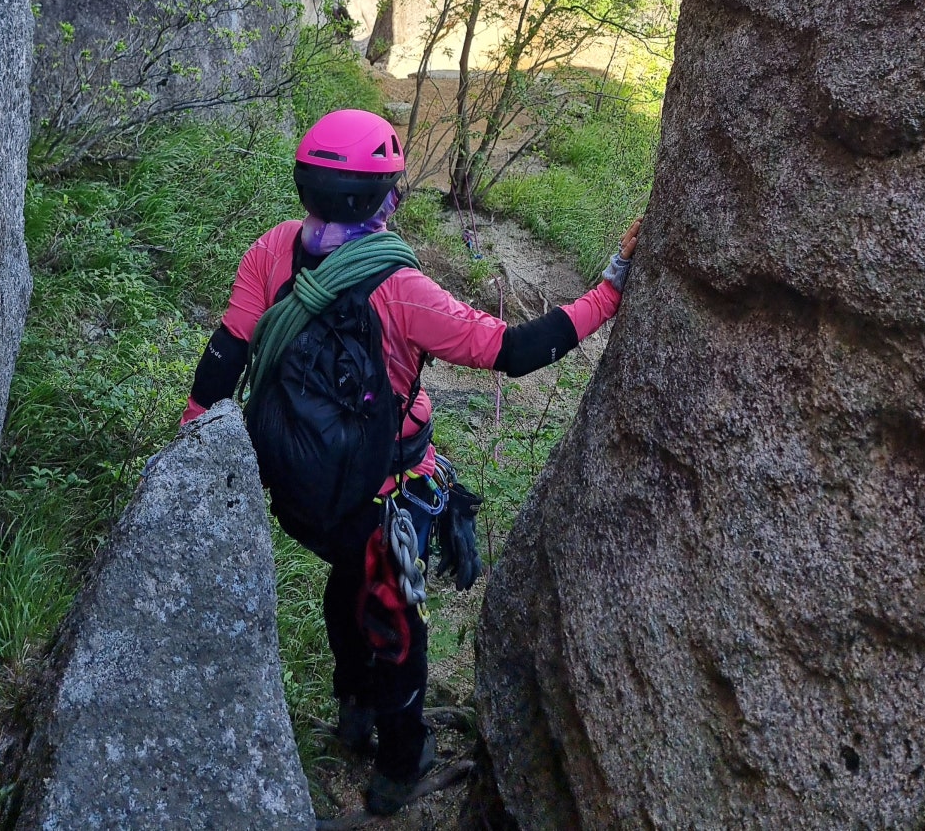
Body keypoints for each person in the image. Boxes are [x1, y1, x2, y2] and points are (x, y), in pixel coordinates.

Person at [182, 107, 640, 816]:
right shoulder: (401, 290)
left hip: (303, 492)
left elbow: (223, 359)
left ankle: (354, 713)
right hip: (380, 492)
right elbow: (514, 352)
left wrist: (188, 456)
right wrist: (608, 290)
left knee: (347, 587)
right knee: (396, 623)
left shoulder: (272, 250)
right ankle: (400, 766)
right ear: (381, 197)